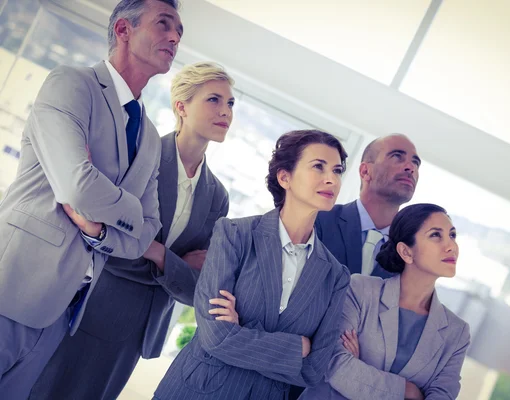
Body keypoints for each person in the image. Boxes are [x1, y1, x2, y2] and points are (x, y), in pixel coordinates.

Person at [0, 0, 182, 397]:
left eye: (179, 32)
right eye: (164, 24)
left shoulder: (150, 136)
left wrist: (100, 229)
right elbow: (77, 188)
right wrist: (127, 209)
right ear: (123, 31)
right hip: (10, 288)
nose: (174, 37)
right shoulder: (72, 84)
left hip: (64, 312)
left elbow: (144, 235)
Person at [29, 62, 232, 400]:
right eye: (214, 100)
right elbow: (105, 241)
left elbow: (199, 285)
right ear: (181, 106)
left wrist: (153, 250)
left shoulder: (218, 197)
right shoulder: (141, 156)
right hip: (91, 310)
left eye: (230, 103)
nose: (225, 111)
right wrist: (171, 262)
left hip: (138, 334)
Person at [153, 130, 351, 400]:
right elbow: (215, 336)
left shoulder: (336, 276)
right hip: (197, 391)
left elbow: (313, 370)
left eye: (337, 170)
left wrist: (241, 333)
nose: (332, 179)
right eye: (318, 166)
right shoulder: (235, 234)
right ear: (285, 177)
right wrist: (297, 347)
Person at [301, 203, 471, 400]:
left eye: (452, 235)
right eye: (435, 235)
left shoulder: (457, 333)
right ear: (406, 252)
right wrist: (408, 391)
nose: (451, 246)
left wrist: (361, 371)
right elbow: (334, 364)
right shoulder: (360, 290)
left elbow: (443, 395)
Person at [315, 134, 420, 279]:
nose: (411, 168)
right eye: (397, 157)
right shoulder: (318, 220)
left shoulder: (411, 256)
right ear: (365, 171)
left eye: (416, 163)